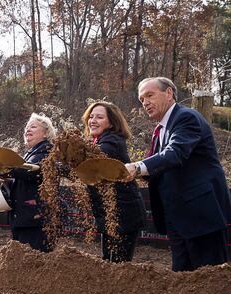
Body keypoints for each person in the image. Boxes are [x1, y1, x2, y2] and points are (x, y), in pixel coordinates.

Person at [125, 77, 231, 271]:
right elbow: (156, 169)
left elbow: (174, 154)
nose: (145, 102)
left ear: (169, 93)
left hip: (201, 216)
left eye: (150, 95)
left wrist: (137, 167)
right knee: (181, 280)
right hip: (178, 219)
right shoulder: (160, 129)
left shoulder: (186, 117)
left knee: (209, 279)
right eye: (141, 99)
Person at [83, 101, 145, 262]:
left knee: (119, 265)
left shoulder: (113, 142)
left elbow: (93, 160)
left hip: (123, 215)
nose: (93, 120)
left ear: (111, 122)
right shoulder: (96, 142)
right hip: (109, 215)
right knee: (107, 261)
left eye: (99, 117)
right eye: (91, 117)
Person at [6, 113, 55, 252]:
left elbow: (29, 172)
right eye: (26, 127)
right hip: (25, 218)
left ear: (45, 133)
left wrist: (3, 165)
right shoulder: (30, 154)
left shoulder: (46, 152)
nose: (27, 130)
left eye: (33, 127)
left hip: (35, 219)